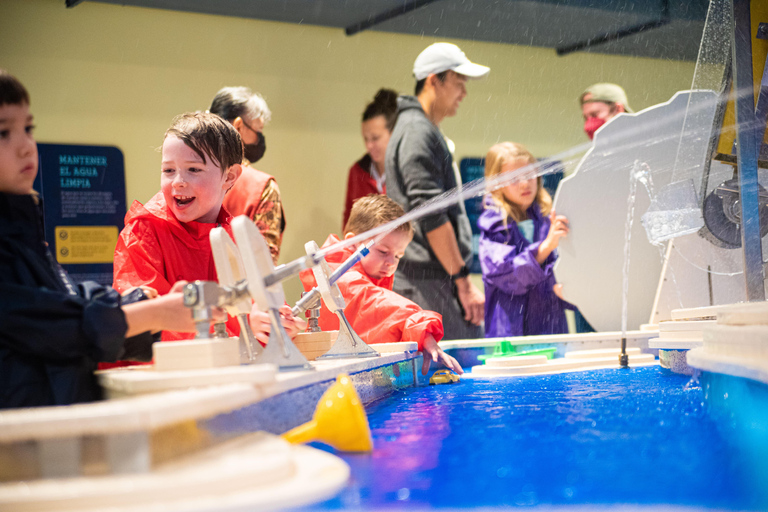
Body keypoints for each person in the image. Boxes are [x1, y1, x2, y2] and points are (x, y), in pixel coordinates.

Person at [0, 70, 199, 408]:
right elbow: (54, 325)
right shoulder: (143, 227)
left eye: (28, 129)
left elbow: (62, 299)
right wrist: (153, 312)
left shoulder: (24, 231)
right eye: (5, 132)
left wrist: (136, 303)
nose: (25, 146)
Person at [385, 42, 489, 340]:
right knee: (451, 377)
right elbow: (430, 214)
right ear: (434, 80)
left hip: (431, 279)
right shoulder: (418, 131)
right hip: (428, 283)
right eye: (459, 83)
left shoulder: (416, 127)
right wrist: (464, 282)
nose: (464, 93)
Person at [300, 194, 462, 376]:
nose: (391, 262)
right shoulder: (336, 276)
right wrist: (420, 327)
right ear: (353, 243)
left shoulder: (371, 277)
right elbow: (369, 299)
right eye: (383, 251)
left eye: (398, 256)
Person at [479, 142, 574, 337]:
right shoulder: (492, 226)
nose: (524, 183)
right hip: (509, 333)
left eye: (529, 174)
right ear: (497, 183)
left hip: (551, 328)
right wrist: (546, 247)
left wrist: (569, 289)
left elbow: (568, 269)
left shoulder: (551, 219)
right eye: (514, 178)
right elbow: (509, 276)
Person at [209, 86, 285, 265]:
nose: (260, 137)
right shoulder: (263, 186)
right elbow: (265, 263)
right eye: (258, 130)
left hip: (193, 289)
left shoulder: (189, 176)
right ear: (238, 126)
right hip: (241, 290)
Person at [342, 88, 398, 229]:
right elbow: (349, 221)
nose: (369, 145)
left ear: (394, 133)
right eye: (365, 139)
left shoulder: (409, 173)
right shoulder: (356, 172)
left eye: (375, 138)